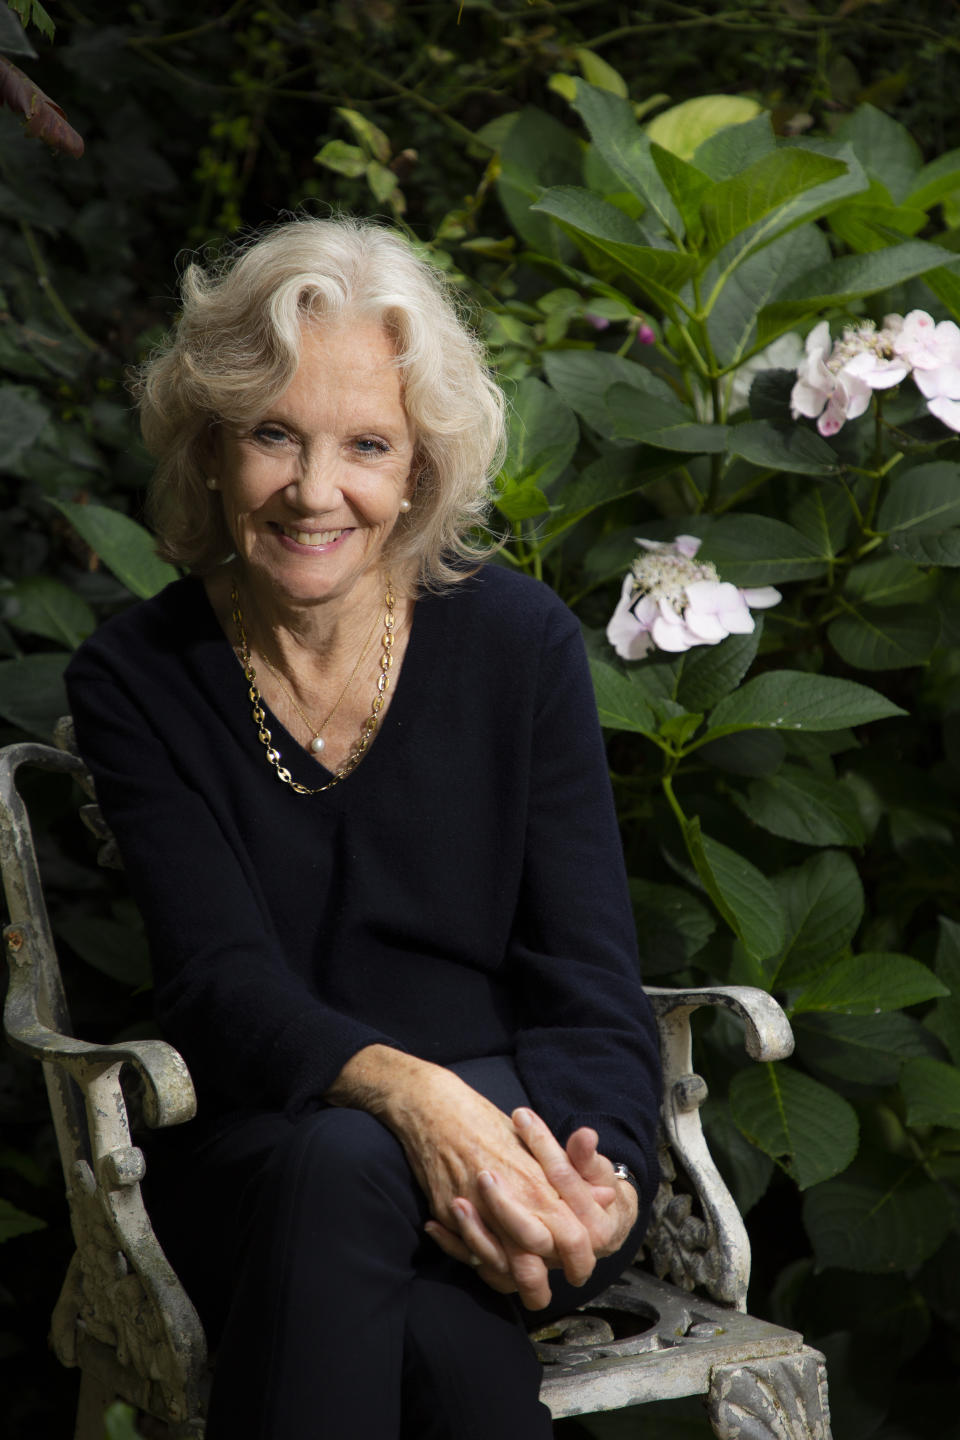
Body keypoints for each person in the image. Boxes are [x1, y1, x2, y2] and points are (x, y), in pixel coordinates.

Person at [65, 216, 662, 1440]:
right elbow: (218, 983)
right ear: (214, 447)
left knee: (400, 1252)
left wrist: (605, 1189)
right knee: (353, 1186)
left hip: (513, 1166)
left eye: (367, 446)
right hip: (256, 1148)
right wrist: (409, 1096)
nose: (315, 490)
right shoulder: (140, 673)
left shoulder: (522, 646)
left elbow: (587, 983)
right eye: (274, 435)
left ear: (418, 472)